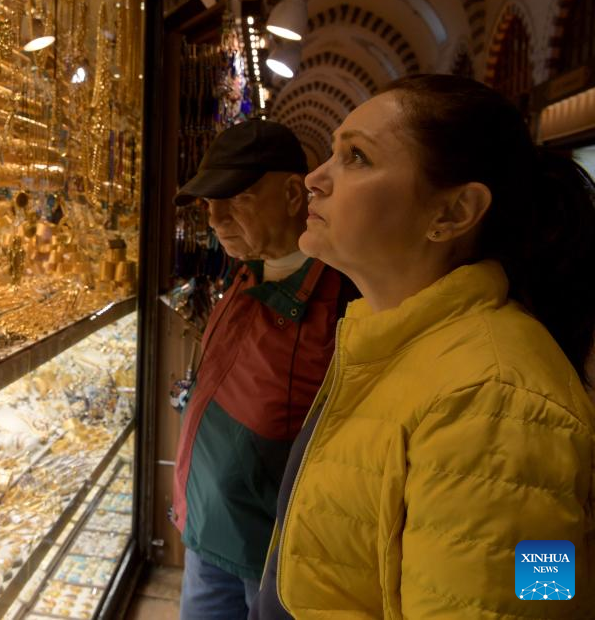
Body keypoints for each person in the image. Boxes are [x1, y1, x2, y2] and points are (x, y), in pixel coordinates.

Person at [253, 74, 595, 619]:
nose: (315, 179)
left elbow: (533, 593)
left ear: (452, 214)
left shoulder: (500, 402)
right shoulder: (391, 342)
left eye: (356, 157)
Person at [172, 119, 354, 620]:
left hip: (271, 554)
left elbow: (543, 573)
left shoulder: (349, 297)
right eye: (209, 203)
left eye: (238, 198)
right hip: (208, 527)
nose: (216, 219)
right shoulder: (248, 269)